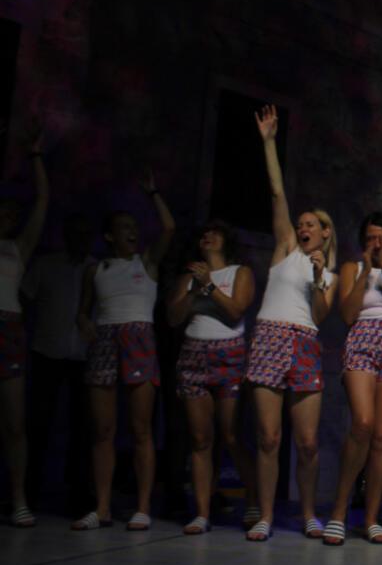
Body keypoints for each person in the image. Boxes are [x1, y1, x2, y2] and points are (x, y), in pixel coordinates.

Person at [244, 104, 338, 542]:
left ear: (325, 233)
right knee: (268, 436)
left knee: (308, 442)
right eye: (300, 224)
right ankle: (265, 515)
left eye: (311, 224)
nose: (302, 228)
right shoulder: (284, 250)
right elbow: (277, 193)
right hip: (270, 337)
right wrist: (268, 142)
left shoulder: (330, 274)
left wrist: (319, 278)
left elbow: (320, 315)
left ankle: (307, 514)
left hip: (304, 342)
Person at [73, 171, 175, 531]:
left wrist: (153, 193)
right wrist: (84, 322)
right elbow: (83, 310)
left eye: (134, 226)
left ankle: (142, 507)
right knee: (103, 430)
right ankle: (102, 507)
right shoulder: (96, 269)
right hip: (105, 339)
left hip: (138, 338)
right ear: (109, 236)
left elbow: (168, 228)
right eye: (124, 227)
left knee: (141, 428)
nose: (132, 231)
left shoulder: (145, 263)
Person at [322, 212, 382, 545]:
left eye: (381, 237)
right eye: (370, 238)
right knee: (362, 423)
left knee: (381, 435)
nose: (375, 243)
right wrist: (366, 271)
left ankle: (372, 519)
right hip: (362, 337)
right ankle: (339, 512)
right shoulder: (352, 268)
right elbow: (348, 314)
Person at [165, 220, 257, 534]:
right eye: (203, 234)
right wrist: (194, 288)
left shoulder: (240, 272)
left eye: (214, 233)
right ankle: (202, 513)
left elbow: (236, 311)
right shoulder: (188, 277)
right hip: (194, 354)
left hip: (229, 354)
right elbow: (173, 317)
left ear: (226, 241)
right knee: (200, 439)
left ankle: (254, 499)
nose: (207, 237)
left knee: (230, 435)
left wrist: (209, 286)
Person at [24, 214, 94, 517]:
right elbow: (25, 300)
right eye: (75, 233)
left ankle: (78, 495)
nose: (80, 239)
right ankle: (28, 492)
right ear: (66, 235)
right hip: (47, 352)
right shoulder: (46, 265)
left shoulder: (97, 267)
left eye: (85, 233)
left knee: (83, 429)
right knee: (38, 425)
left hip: (84, 357)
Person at [0, 122, 48, 526]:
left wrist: (35, 157)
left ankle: (18, 499)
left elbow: (43, 201)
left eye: (13, 214)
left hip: (9, 328)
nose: (9, 217)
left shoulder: (17, 247)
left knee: (15, 421)